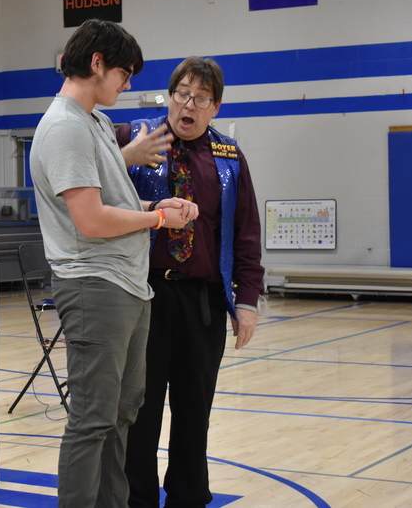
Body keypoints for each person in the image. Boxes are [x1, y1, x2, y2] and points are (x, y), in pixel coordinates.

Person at [29, 19, 197, 508]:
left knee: (123, 413)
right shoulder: (63, 127)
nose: (128, 84)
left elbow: (113, 204)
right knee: (92, 419)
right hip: (94, 285)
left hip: (126, 284)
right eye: (124, 73)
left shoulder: (96, 123)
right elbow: (92, 221)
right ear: (97, 62)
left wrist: (155, 209)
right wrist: (158, 222)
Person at [121, 56, 265, 508]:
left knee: (194, 409)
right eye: (181, 94)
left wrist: (247, 301)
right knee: (140, 410)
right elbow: (90, 188)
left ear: (215, 108)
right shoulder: (133, 136)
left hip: (202, 299)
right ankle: (136, 498)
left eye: (200, 98)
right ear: (169, 96)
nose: (188, 105)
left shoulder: (228, 157)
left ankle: (187, 496)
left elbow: (246, 232)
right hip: (143, 295)